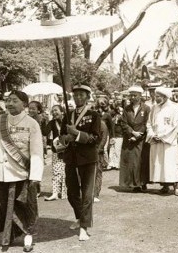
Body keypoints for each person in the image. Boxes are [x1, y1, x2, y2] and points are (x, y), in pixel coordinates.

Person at [0, 90, 44, 252]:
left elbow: (37, 151)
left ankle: (28, 234)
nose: (10, 104)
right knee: (1, 202)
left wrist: (35, 176)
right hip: (2, 171)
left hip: (22, 172)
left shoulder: (32, 124)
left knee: (25, 204)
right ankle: (11, 232)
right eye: (8, 100)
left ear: (24, 104)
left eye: (14, 101)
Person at [58, 83, 101, 241]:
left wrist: (77, 134)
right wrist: (67, 138)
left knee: (87, 195)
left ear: (87, 97)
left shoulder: (94, 115)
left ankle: (84, 227)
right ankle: (79, 216)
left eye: (81, 95)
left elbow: (96, 138)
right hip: (71, 158)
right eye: (75, 95)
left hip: (88, 159)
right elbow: (61, 137)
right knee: (71, 193)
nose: (78, 97)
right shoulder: (67, 116)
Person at [146, 87, 178, 196]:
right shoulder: (154, 108)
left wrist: (162, 136)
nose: (156, 99)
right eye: (155, 96)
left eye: (158, 97)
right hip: (156, 140)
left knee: (171, 163)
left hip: (168, 141)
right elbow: (149, 124)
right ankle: (164, 186)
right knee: (160, 164)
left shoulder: (175, 108)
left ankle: (176, 186)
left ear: (165, 97)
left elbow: (176, 125)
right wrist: (153, 135)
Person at [119, 86, 151, 192]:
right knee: (129, 161)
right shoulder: (127, 109)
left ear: (140, 96)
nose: (133, 97)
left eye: (135, 95)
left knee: (141, 161)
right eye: (131, 95)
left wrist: (138, 134)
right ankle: (133, 184)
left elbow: (147, 123)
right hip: (129, 138)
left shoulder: (146, 108)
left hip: (141, 139)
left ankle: (143, 182)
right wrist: (132, 133)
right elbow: (123, 123)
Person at [43, 105, 67, 201]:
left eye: (56, 110)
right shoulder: (52, 122)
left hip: (67, 150)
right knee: (56, 171)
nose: (54, 112)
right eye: (52, 111)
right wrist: (44, 121)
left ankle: (65, 193)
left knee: (66, 172)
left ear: (62, 112)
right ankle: (55, 193)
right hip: (56, 150)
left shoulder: (67, 121)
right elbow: (45, 132)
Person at [94, 119, 109, 202]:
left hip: (98, 152)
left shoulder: (102, 124)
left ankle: (95, 193)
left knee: (97, 173)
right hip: (89, 151)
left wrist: (99, 149)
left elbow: (104, 138)